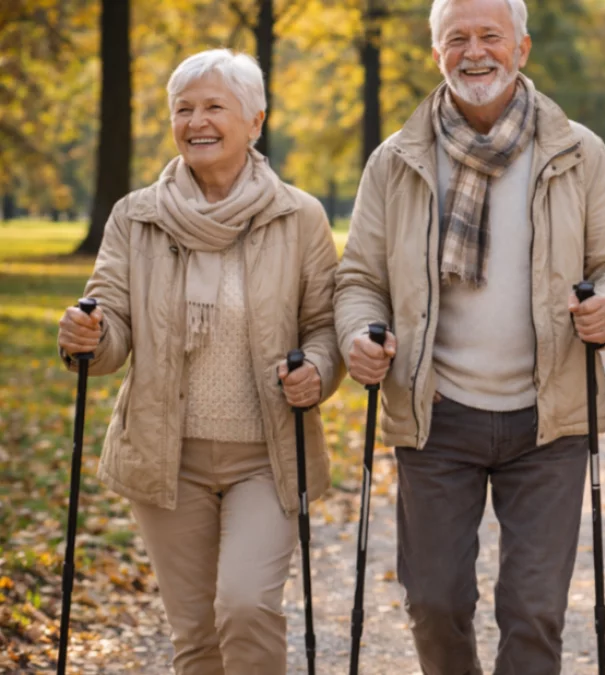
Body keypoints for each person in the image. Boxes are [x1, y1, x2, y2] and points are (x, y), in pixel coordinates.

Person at [333, 0, 605, 671]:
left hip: (549, 417)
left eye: (490, 37)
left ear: (522, 49)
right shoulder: (396, 161)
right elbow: (359, 277)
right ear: (437, 52)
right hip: (437, 412)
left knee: (534, 610)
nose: (475, 52)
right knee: (434, 601)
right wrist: (360, 331)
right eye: (457, 39)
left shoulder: (577, 152)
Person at [55, 49, 342, 674]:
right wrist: (87, 336)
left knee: (245, 606)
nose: (197, 121)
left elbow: (325, 327)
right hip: (166, 456)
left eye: (215, 106)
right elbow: (113, 327)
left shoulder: (300, 217)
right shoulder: (137, 217)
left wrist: (316, 371)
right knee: (195, 634)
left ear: (255, 120)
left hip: (266, 453)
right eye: (183, 109)